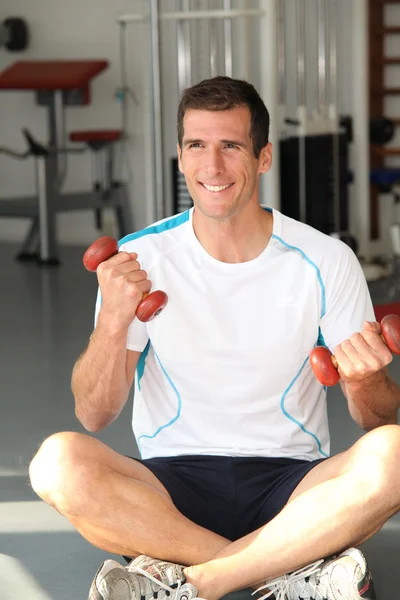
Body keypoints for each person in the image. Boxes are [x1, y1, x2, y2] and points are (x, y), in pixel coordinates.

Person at [29, 76, 400, 600]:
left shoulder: (325, 259)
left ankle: (194, 581)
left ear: (264, 157)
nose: (213, 166)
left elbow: (376, 420)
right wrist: (114, 318)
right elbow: (94, 415)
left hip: (293, 486)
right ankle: (286, 568)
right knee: (56, 463)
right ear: (180, 158)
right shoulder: (139, 260)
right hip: (169, 491)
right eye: (197, 146)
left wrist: (366, 381)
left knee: (396, 453)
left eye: (231, 146)